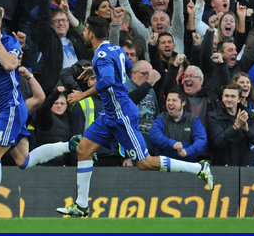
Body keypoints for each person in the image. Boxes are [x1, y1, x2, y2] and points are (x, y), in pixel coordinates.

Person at [56, 16, 213, 217]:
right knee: (83, 150)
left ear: (91, 33)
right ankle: (81, 205)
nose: (85, 33)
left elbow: (108, 81)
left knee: (144, 163)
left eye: (85, 30)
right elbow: (124, 71)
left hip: (121, 115)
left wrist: (82, 94)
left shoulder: (102, 54)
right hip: (110, 114)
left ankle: (198, 168)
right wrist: (94, 70)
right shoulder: (115, 49)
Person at [0, 5, 82, 217]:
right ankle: (70, 145)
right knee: (24, 161)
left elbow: (10, 65)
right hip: (5, 109)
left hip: (11, 107)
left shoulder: (9, 43)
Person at [206, 84, 254, 166]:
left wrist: (247, 129)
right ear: (222, 98)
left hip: (245, 166)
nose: (229, 99)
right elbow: (217, 142)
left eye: (233, 96)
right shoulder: (215, 117)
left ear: (239, 99)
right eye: (226, 96)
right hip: (223, 166)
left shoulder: (247, 115)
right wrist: (236, 126)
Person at [149, 88, 208, 162]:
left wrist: (187, 151)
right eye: (168, 100)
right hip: (164, 166)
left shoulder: (193, 120)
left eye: (174, 100)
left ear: (183, 103)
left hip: (188, 166)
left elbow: (201, 140)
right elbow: (154, 136)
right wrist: (172, 144)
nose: (170, 103)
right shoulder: (161, 119)